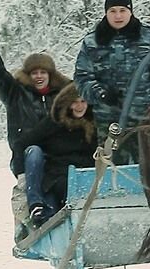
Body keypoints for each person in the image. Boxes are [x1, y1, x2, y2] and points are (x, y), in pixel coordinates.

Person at [0, 24, 70, 234]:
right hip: (26, 158)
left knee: (58, 194)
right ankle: (26, 221)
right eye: (34, 73)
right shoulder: (15, 94)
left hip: (57, 159)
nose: (39, 76)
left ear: (51, 75)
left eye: (43, 72)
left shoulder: (62, 96)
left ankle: (56, 224)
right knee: (32, 161)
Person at [73, 0, 150, 163]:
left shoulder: (149, 38)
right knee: (113, 174)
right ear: (106, 13)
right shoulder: (92, 42)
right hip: (109, 123)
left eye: (122, 11)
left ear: (130, 11)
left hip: (147, 122)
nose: (118, 16)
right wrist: (100, 94)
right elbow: (82, 78)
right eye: (113, 11)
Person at [21, 84, 98, 230]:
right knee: (34, 151)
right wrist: (19, 172)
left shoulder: (93, 124)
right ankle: (37, 206)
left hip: (83, 179)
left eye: (83, 101)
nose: (80, 106)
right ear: (67, 104)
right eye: (75, 102)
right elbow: (22, 143)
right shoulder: (54, 123)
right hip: (56, 178)